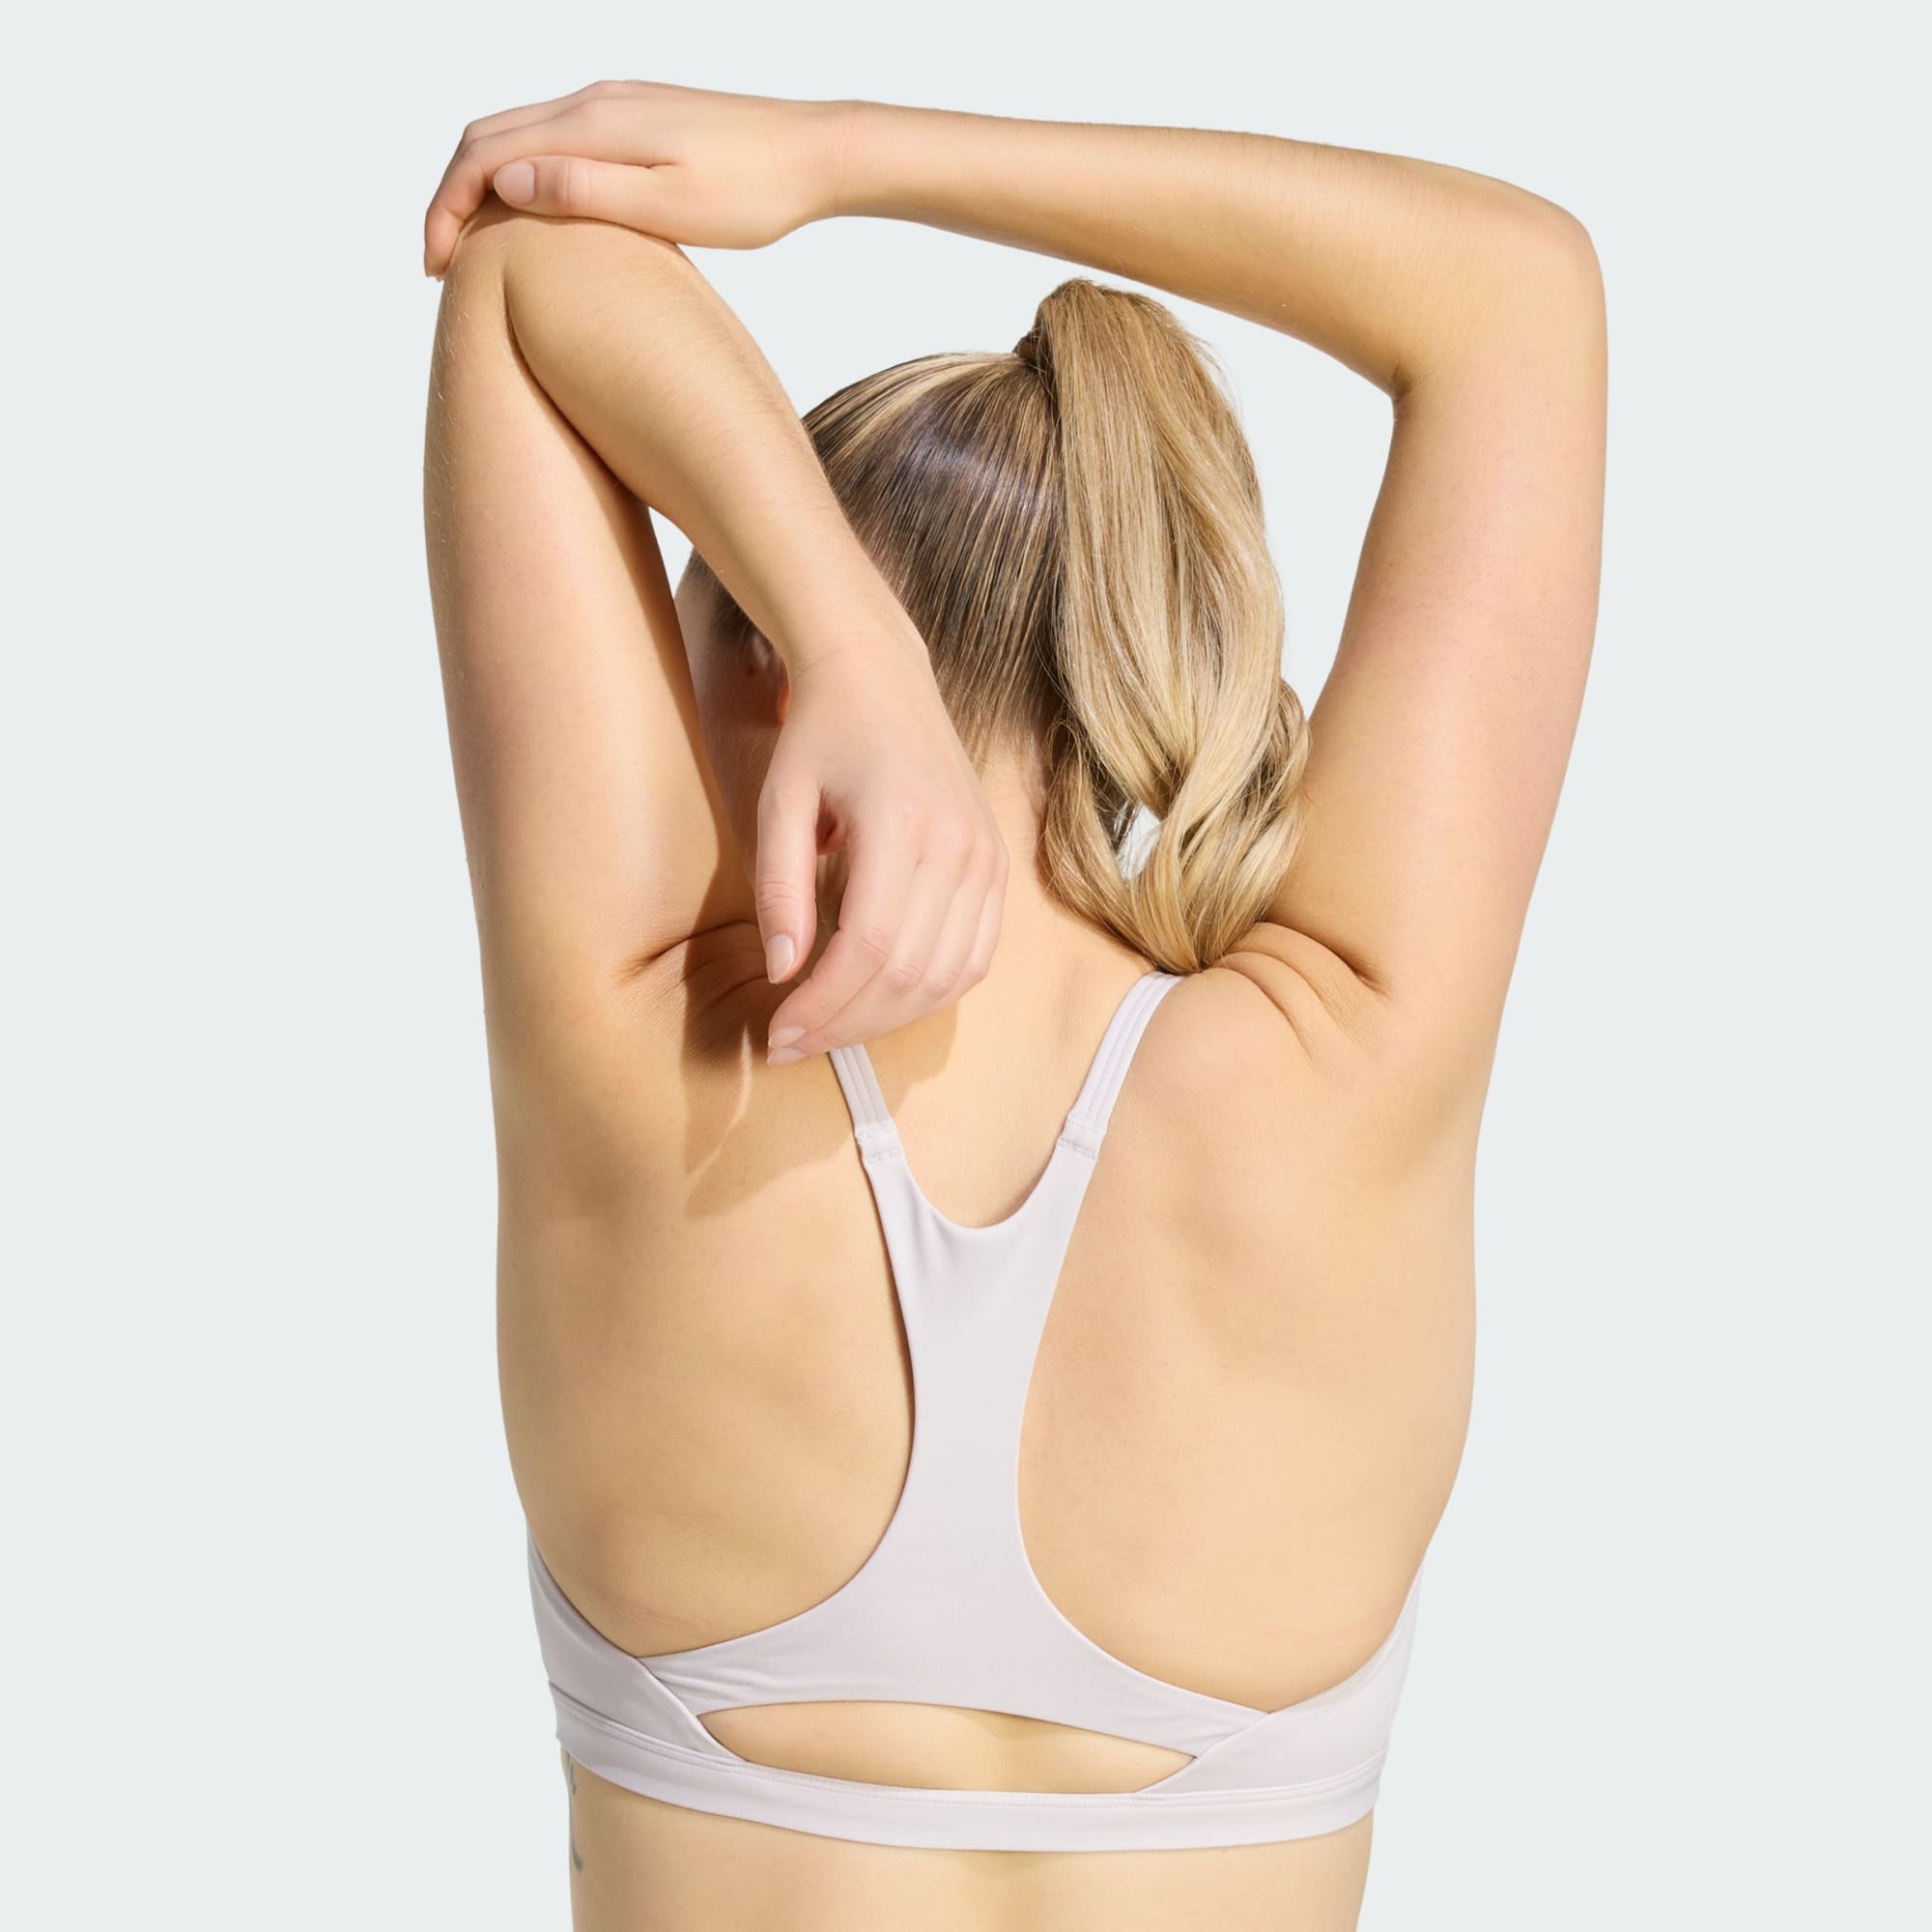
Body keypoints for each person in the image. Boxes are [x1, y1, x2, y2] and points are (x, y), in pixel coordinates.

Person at [420, 81, 1605, 1932]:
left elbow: (524, 270)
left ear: (760, 666)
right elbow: (1513, 291)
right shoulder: (1349, 1062)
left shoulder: (641, 1060)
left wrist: (841, 629)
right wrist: (842, 159)